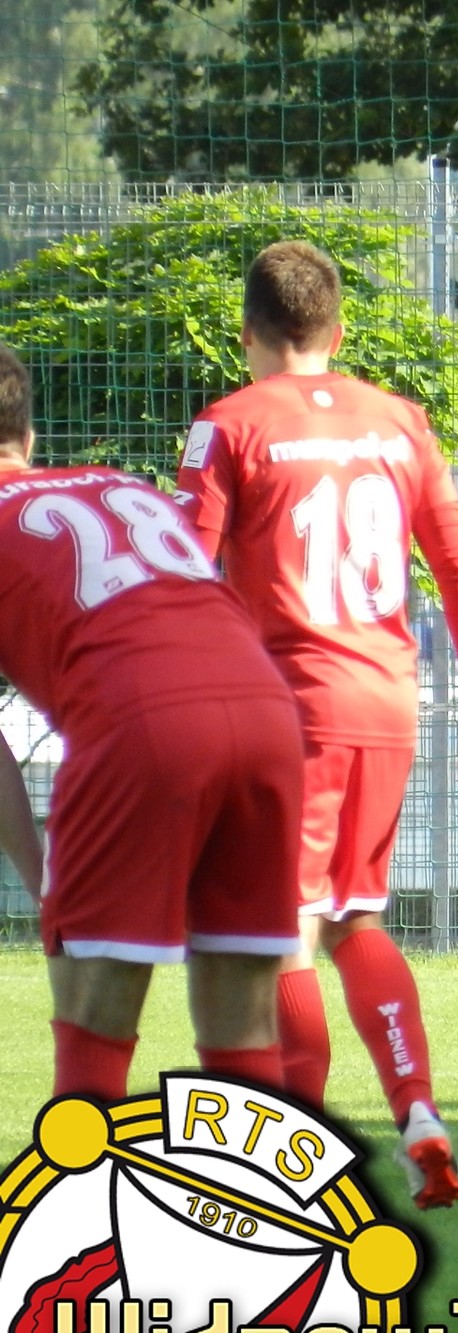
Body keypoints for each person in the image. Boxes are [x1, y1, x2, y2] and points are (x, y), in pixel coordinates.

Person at [173, 242, 458, 1210]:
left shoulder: (229, 424)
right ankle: (419, 1111)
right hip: (388, 702)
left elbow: (188, 572)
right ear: (340, 329)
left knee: (284, 933)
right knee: (358, 917)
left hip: (290, 706)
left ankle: (295, 1159)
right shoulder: (400, 421)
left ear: (247, 334)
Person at [0, 343, 304, 1100]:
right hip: (267, 713)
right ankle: (257, 1178)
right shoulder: (120, 485)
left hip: (145, 725)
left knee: (95, 998)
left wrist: (41, 876)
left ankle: (82, 1176)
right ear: (27, 436)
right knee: (242, 1007)